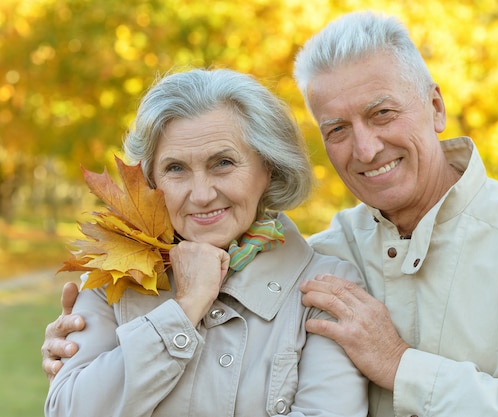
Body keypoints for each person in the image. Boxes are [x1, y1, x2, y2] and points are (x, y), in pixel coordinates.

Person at [43, 11, 498, 416]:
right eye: (338, 129)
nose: (366, 148)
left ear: (436, 106)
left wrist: (402, 367)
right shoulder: (324, 255)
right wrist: (106, 342)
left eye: (382, 113)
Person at [44, 68, 368, 417]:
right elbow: (68, 410)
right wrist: (184, 309)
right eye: (176, 169)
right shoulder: (114, 277)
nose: (201, 195)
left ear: (269, 167)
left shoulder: (327, 288)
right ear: (151, 180)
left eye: (223, 163)